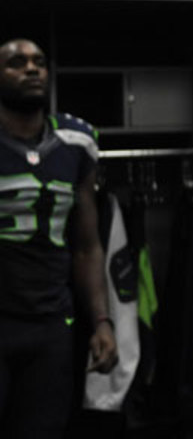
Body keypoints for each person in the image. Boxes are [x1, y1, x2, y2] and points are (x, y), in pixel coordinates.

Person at [0, 38, 118, 436]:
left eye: (39, 62)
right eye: (17, 63)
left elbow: (87, 246)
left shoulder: (75, 142)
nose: (31, 69)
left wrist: (102, 321)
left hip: (50, 321)